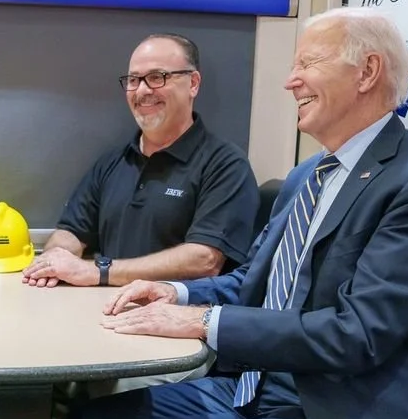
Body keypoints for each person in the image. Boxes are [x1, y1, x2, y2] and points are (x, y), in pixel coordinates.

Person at [75, 7, 408, 419]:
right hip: (259, 390)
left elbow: (358, 334)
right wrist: (177, 295)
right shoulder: (307, 177)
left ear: (366, 72)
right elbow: (256, 283)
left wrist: (203, 322)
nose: (290, 81)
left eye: (308, 64)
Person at [25, 33, 259, 394]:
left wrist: (98, 272)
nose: (142, 90)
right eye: (134, 80)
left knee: (107, 392)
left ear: (193, 83)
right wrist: (56, 259)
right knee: (33, 369)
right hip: (105, 319)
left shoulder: (225, 165)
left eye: (157, 77)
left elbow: (205, 259)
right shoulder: (114, 162)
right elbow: (71, 231)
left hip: (177, 336)